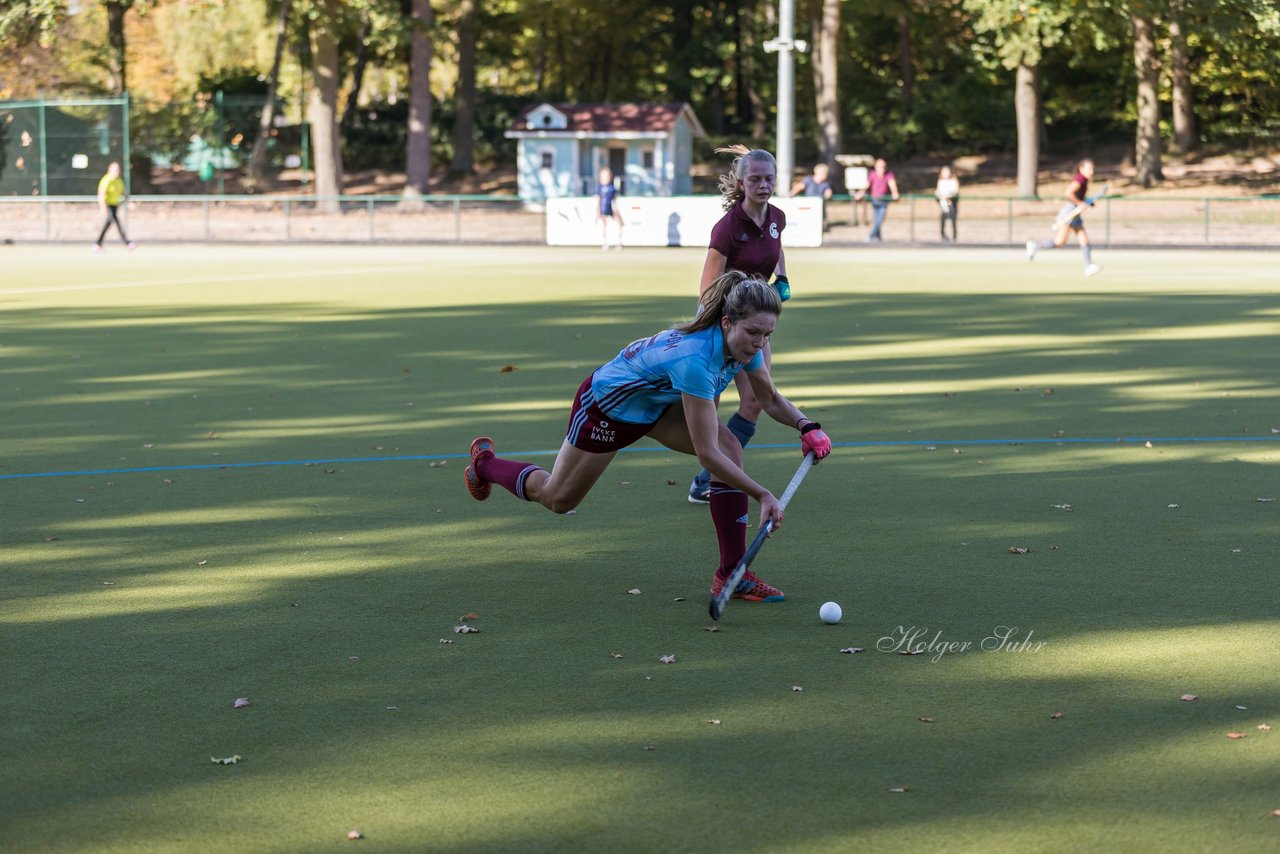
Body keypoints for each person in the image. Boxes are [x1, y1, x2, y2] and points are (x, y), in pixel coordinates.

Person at [464, 270, 832, 605]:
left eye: (767, 335)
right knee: (557, 499)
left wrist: (806, 426)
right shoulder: (696, 361)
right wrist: (762, 494)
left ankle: (731, 575)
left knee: (730, 447)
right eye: (753, 333)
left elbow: (768, 398)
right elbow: (706, 455)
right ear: (726, 322)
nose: (759, 343)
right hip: (607, 410)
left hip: (656, 407)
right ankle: (485, 465)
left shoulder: (742, 346)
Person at [687, 145, 790, 505]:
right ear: (742, 182)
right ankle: (717, 473)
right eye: (756, 179)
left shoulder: (776, 216)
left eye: (769, 179)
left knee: (757, 401)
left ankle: (706, 480)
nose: (763, 185)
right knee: (708, 411)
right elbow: (707, 289)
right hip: (723, 327)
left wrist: (782, 277)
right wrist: (722, 330)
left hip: (755, 326)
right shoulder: (727, 228)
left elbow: (777, 245)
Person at [1026, 158, 1103, 276]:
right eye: (1089, 169)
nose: (1092, 171)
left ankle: (1088, 266)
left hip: (1075, 212)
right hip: (1070, 212)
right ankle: (1035, 246)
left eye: (1092, 168)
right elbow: (1068, 193)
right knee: (1060, 242)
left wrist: (1087, 202)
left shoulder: (1084, 180)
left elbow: (1079, 197)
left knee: (1083, 239)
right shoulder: (1080, 179)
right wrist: (1080, 203)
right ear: (1081, 169)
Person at [94, 161, 136, 252]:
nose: (117, 172)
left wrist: (129, 202)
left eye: (118, 170)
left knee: (110, 224)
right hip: (108, 205)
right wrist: (103, 209)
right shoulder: (106, 180)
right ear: (109, 170)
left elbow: (124, 194)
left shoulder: (119, 181)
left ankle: (98, 244)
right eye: (115, 170)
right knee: (115, 223)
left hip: (115, 206)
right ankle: (127, 243)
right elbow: (101, 196)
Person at [866, 158, 899, 242]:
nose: (882, 169)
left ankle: (871, 236)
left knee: (879, 220)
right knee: (876, 220)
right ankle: (878, 237)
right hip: (874, 200)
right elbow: (867, 185)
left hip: (884, 201)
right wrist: (860, 192)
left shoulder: (889, 174)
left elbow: (892, 184)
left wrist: (895, 193)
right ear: (876, 167)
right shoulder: (872, 174)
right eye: (880, 167)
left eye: (884, 167)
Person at [595, 166, 623, 250]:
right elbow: (597, 200)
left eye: (608, 175)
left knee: (619, 224)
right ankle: (604, 242)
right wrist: (597, 211)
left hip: (611, 208)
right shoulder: (599, 187)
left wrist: (616, 210)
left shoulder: (612, 188)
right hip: (603, 208)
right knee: (604, 226)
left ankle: (618, 242)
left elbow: (615, 200)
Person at [935, 165, 960, 242]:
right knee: (942, 220)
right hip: (944, 204)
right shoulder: (940, 181)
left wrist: (949, 196)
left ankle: (954, 237)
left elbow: (956, 191)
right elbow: (938, 191)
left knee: (953, 221)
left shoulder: (953, 180)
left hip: (952, 203)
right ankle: (943, 235)